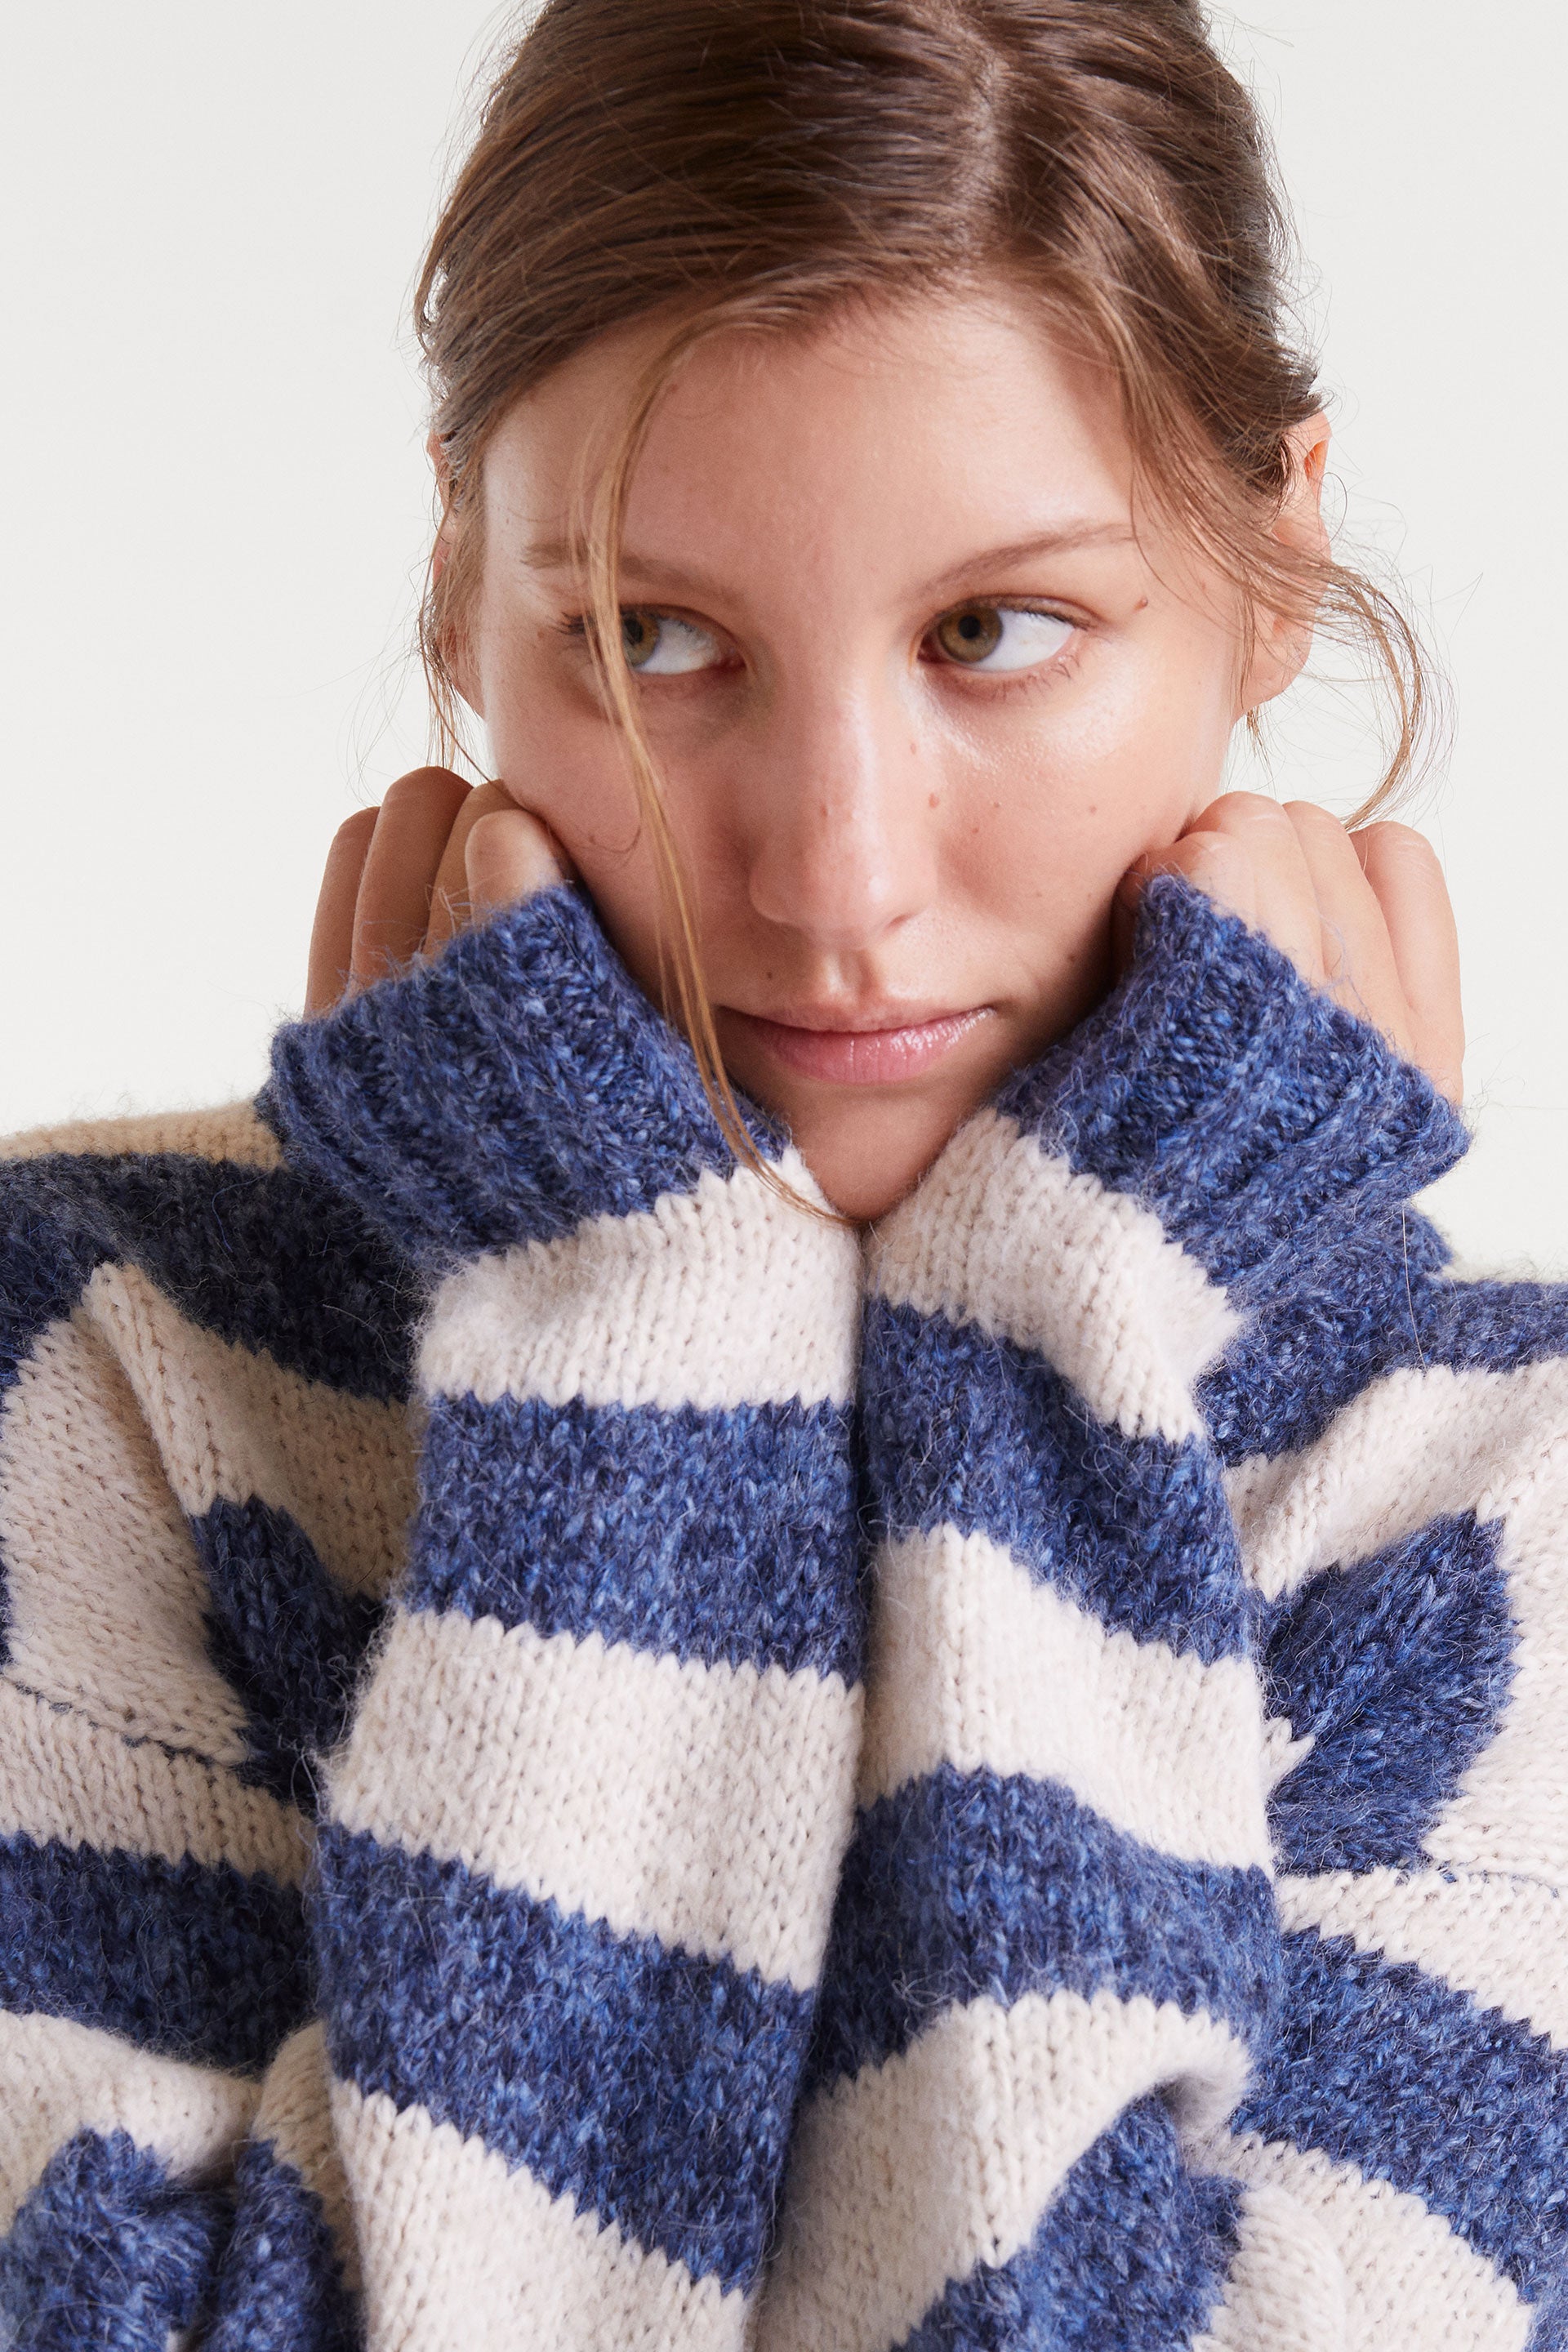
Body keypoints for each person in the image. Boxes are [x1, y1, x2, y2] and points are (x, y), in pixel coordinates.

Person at [1, 2, 1562, 2346]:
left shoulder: (1501, 1499)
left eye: (996, 632)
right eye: (654, 641)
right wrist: (636, 1339)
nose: (834, 880)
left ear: (1273, 561)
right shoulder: (88, 1353)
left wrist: (1057, 1344)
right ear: (462, 591)